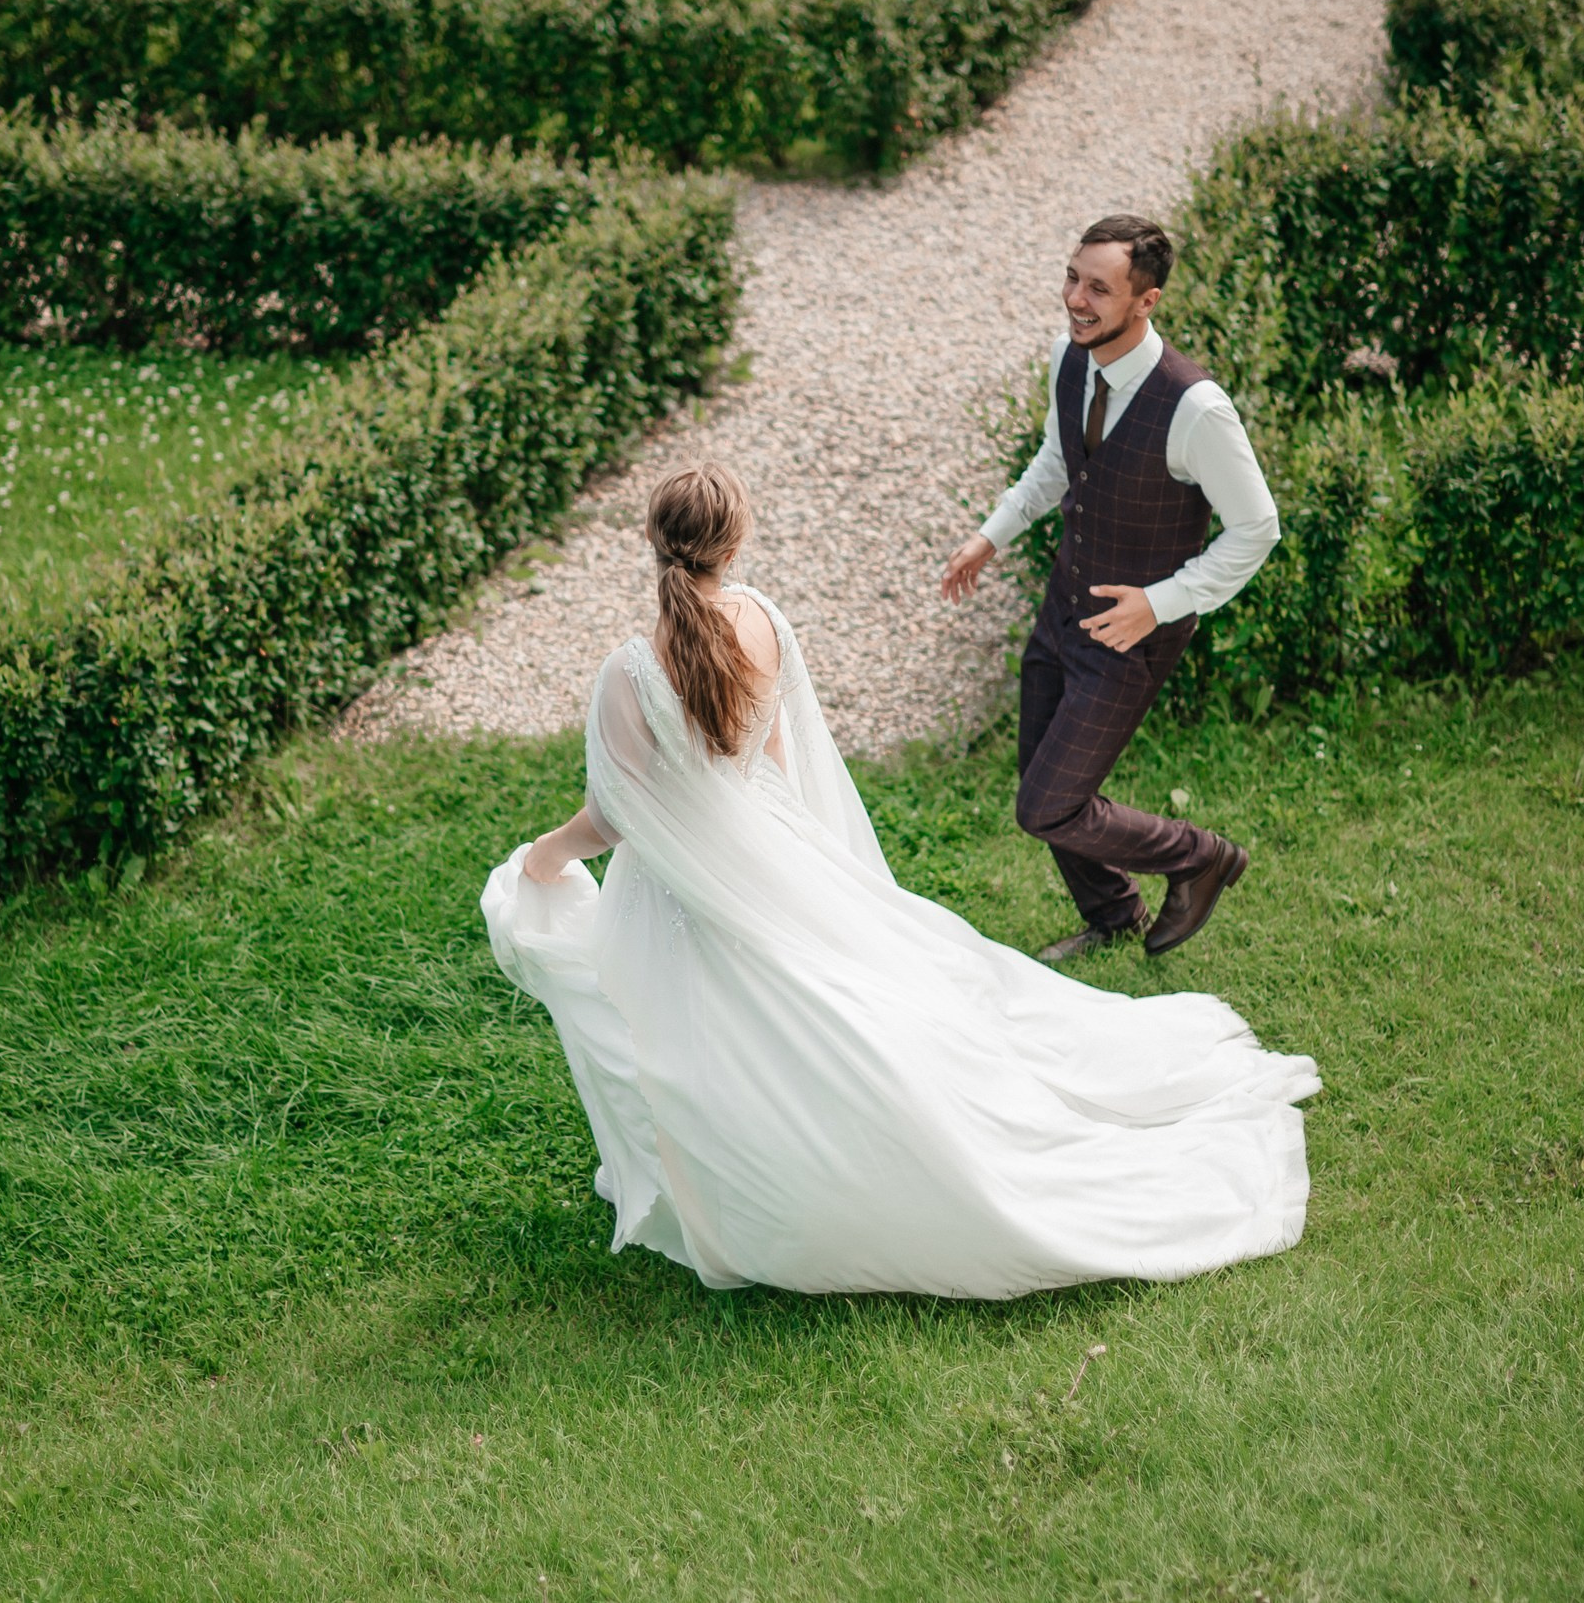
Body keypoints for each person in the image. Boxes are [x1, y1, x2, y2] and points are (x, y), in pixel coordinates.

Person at [485, 462, 1317, 1298]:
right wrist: (810, 865)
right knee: (817, 1013)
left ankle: (738, 1178)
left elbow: (618, 815)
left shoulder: (628, 672)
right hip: (772, 849)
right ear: (735, 543)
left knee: (700, 1040)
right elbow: (778, 757)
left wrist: (547, 855)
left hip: (679, 889)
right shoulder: (766, 621)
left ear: (651, 540)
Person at [941, 214, 1279, 962]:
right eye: (1072, 277)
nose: (1077, 299)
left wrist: (1159, 604)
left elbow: (1257, 528)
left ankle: (1198, 855)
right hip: (1063, 608)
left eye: (1099, 287)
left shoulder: (1196, 408)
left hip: (1131, 638)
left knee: (1047, 804)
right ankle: (1114, 911)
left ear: (1146, 301)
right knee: (1043, 780)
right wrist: (991, 535)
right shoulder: (1071, 355)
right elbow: (1057, 463)